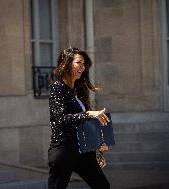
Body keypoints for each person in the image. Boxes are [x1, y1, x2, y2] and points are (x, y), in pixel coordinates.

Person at [48, 47, 111, 189]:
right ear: (66, 63)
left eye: (84, 65)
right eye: (79, 63)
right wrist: (89, 113)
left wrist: (98, 142)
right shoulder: (57, 88)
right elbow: (61, 119)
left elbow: (84, 123)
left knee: (102, 186)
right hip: (64, 149)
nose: (82, 68)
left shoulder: (78, 90)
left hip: (83, 149)